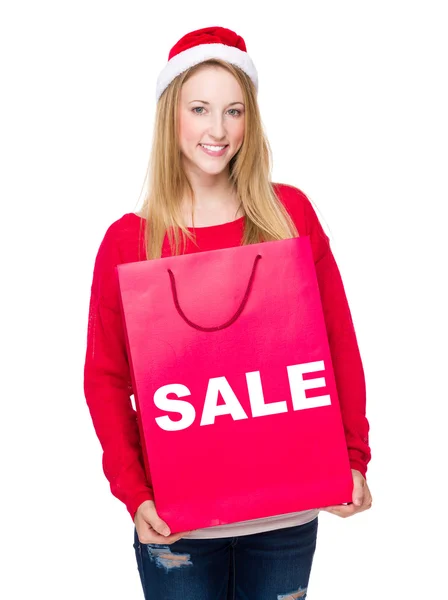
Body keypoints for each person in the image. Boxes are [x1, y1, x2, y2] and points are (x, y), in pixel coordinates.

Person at [83, 25, 372, 600]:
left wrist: (352, 456)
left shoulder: (290, 214)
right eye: (200, 109)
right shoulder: (130, 241)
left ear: (250, 120)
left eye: (234, 111)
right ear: (172, 117)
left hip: (286, 518)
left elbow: (336, 339)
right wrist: (134, 493)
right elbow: (106, 379)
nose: (218, 130)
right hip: (177, 524)